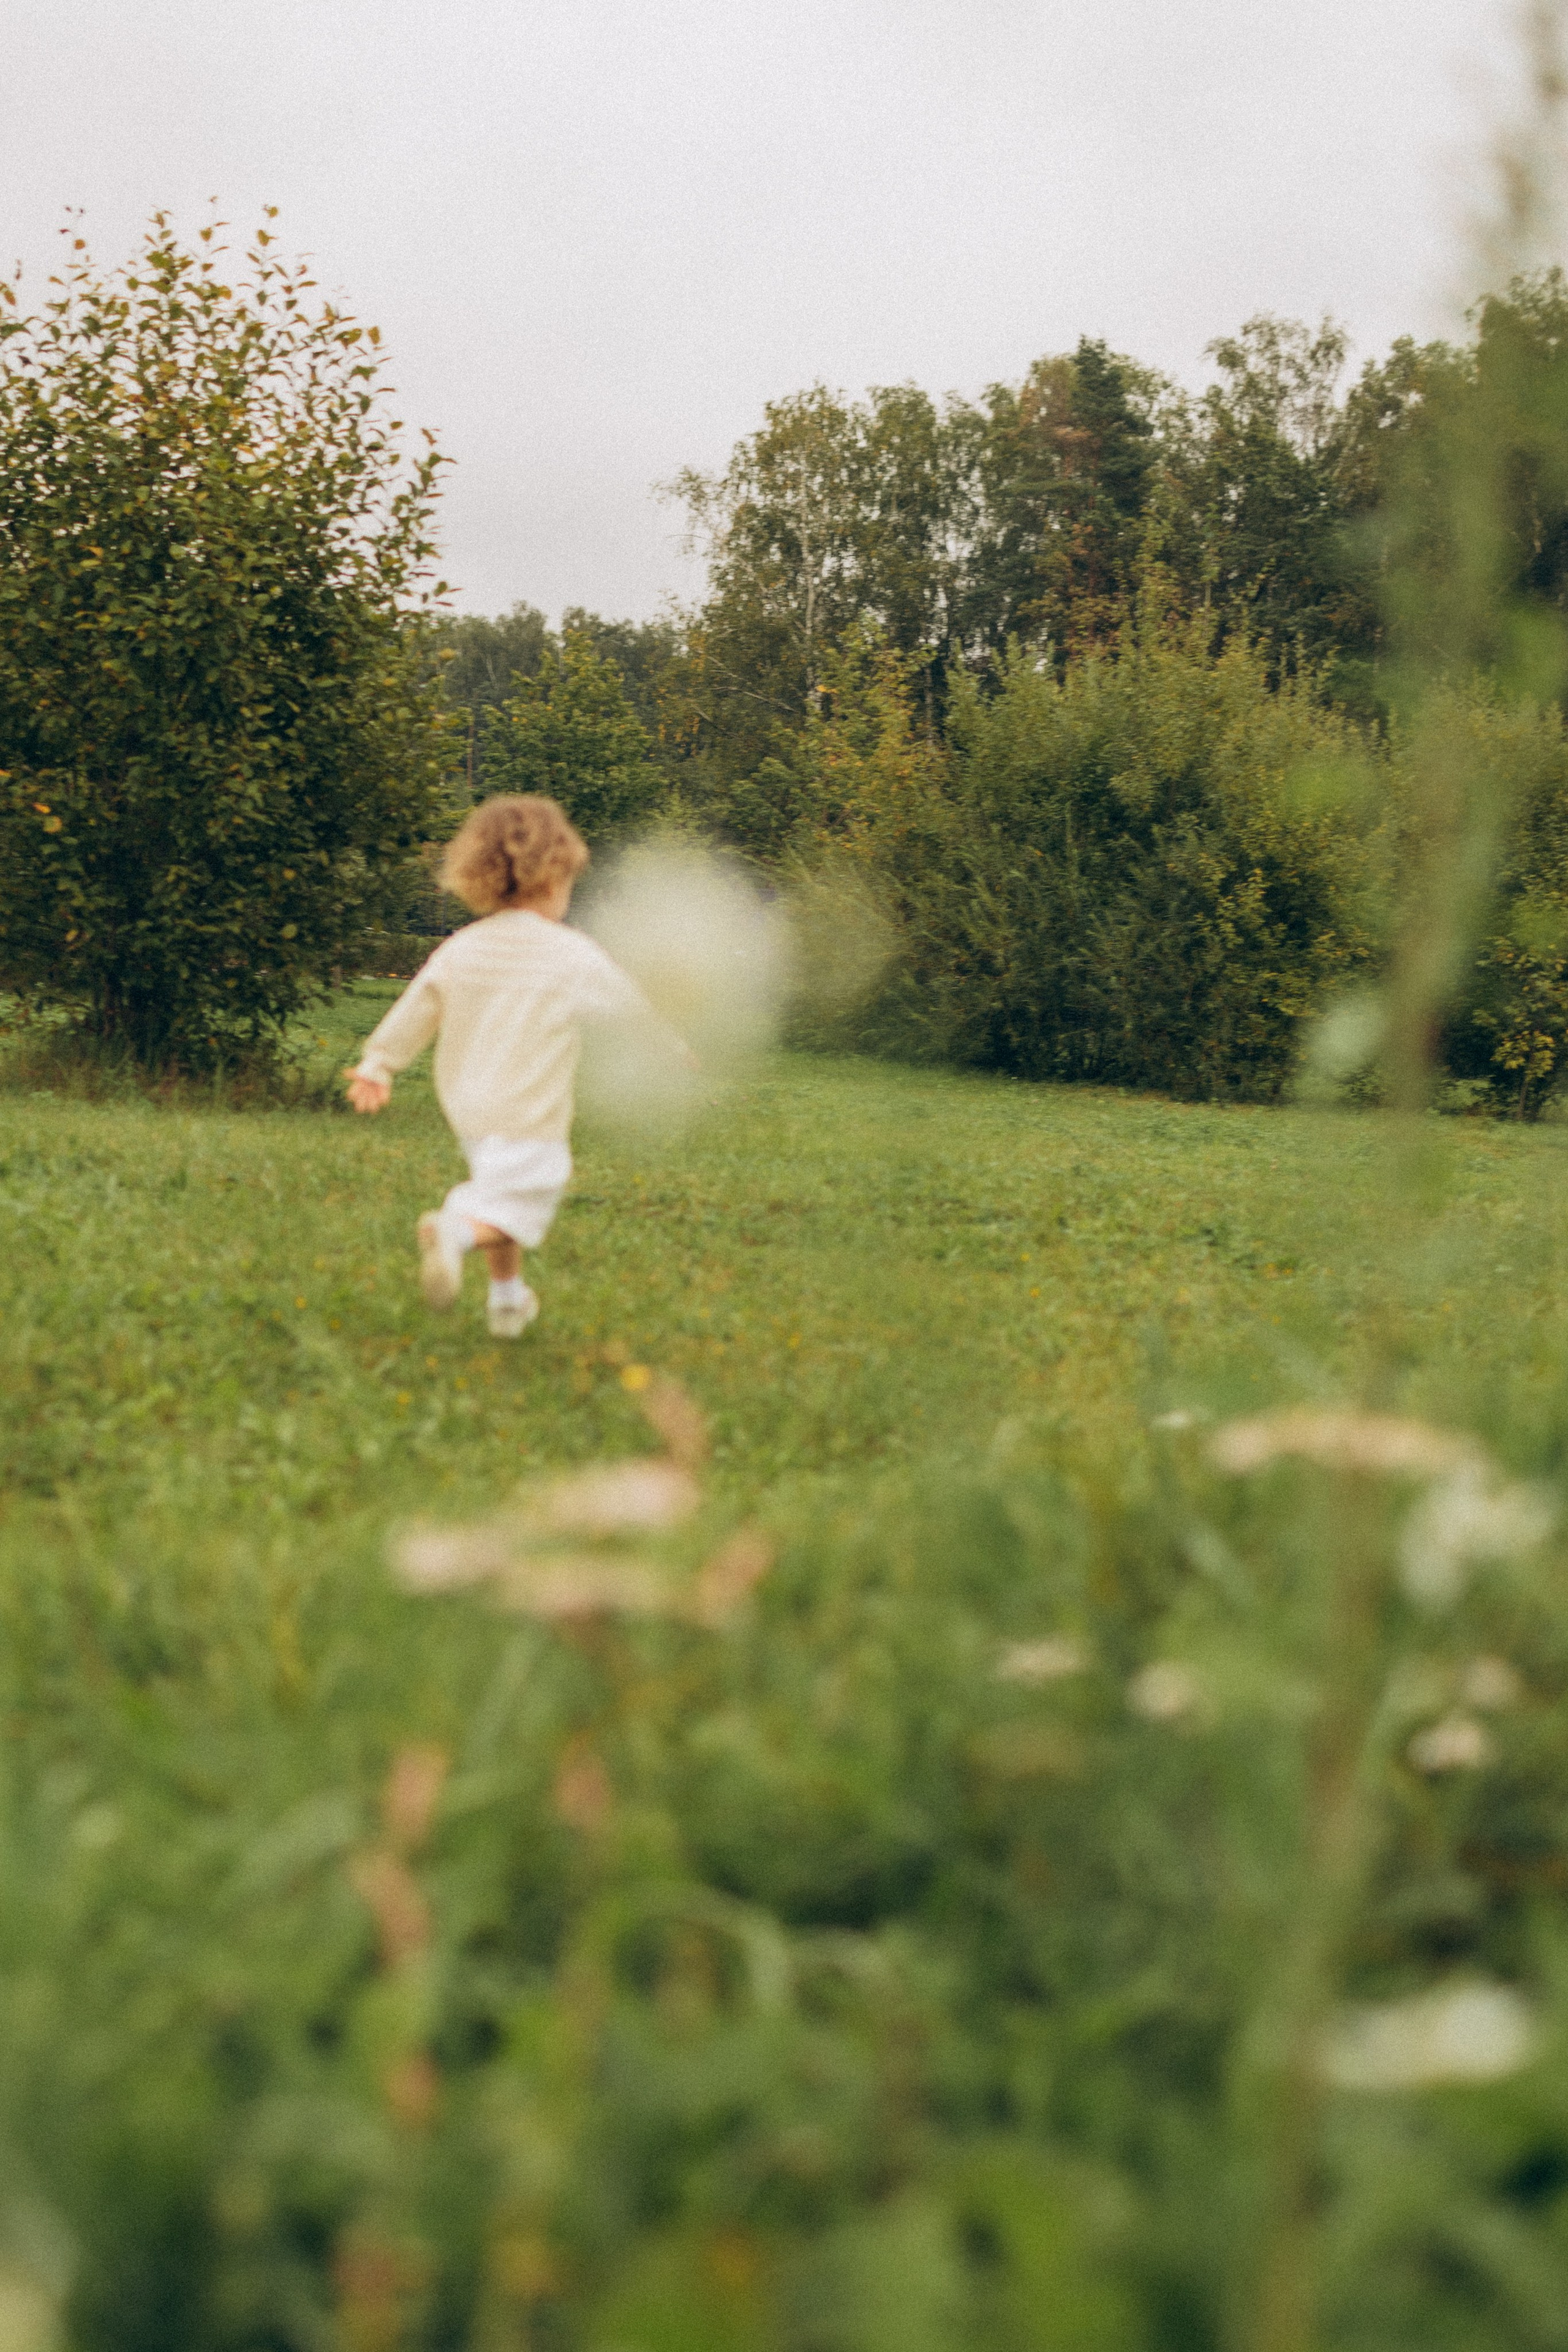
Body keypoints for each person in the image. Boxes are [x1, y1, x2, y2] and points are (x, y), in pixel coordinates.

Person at [346, 794, 682, 1338]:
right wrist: (667, 1047)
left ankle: (507, 1301)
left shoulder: (462, 948)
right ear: (553, 876)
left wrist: (378, 1065)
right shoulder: (570, 953)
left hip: (472, 1109)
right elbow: (627, 1006)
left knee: (501, 1194)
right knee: (527, 1190)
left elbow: (420, 1004)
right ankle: (453, 1233)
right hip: (530, 1110)